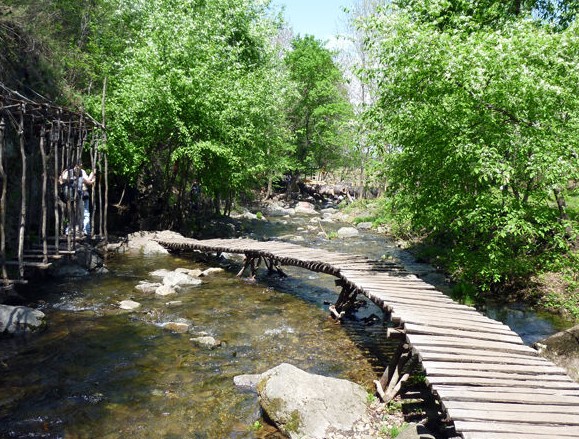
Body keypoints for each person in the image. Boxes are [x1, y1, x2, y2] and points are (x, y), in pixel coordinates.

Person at [59, 161, 96, 236]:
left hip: (77, 196)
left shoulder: (80, 172)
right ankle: (77, 230)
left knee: (78, 213)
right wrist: (92, 178)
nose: (80, 166)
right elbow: (61, 180)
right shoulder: (70, 172)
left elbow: (61, 180)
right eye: (79, 164)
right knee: (79, 213)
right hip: (74, 196)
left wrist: (91, 177)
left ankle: (77, 230)